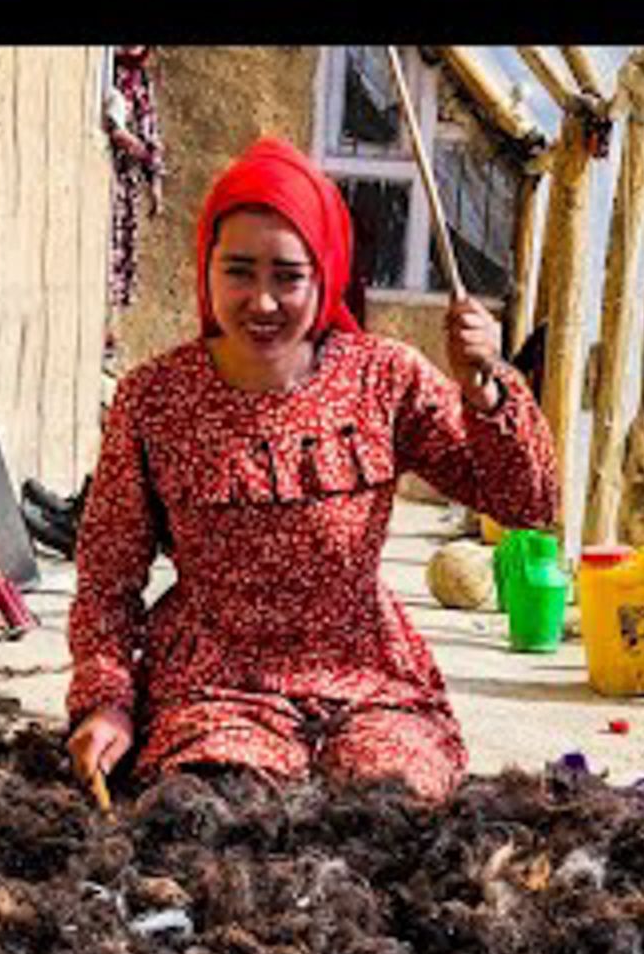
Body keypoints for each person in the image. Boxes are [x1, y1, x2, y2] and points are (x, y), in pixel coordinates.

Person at [65, 136, 558, 803]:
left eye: (287, 276)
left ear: (324, 274)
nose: (262, 302)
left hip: (368, 677)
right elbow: (106, 579)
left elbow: (527, 502)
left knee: (391, 800)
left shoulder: (385, 379)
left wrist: (485, 387)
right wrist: (106, 702)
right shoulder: (154, 398)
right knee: (218, 808)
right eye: (239, 271)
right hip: (216, 685)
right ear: (204, 268)